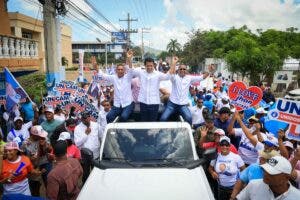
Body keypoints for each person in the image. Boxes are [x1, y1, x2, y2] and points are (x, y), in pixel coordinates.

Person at [160, 58, 209, 124]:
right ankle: (161, 132)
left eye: (184, 69)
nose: (182, 70)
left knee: (189, 118)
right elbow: (171, 73)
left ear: (186, 70)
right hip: (172, 104)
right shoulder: (174, 77)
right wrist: (174, 63)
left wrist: (210, 71)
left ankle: (190, 131)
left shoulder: (189, 78)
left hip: (183, 105)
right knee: (163, 118)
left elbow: (202, 77)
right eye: (181, 69)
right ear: (178, 70)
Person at [236, 156, 300, 199]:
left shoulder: (297, 197)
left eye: (271, 172)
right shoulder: (253, 185)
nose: (266, 174)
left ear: (286, 178)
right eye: (265, 170)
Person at [98, 50, 135, 123]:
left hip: (128, 104)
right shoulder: (113, 78)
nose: (120, 71)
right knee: (109, 116)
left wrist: (129, 59)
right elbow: (103, 76)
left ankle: (120, 131)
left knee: (124, 117)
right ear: (116, 70)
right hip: (117, 105)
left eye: (122, 69)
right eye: (119, 69)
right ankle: (113, 132)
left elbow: (131, 70)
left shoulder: (128, 77)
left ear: (124, 71)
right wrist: (96, 67)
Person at [133, 56, 172, 122]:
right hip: (143, 102)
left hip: (154, 102)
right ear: (145, 65)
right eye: (147, 66)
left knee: (153, 122)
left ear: (153, 65)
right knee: (143, 121)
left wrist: (173, 64)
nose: (149, 67)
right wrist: (128, 58)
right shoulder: (141, 73)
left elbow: (167, 77)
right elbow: (131, 71)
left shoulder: (158, 74)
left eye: (151, 65)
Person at [21, 125, 52, 196]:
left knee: (49, 182)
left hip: (45, 162)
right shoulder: (25, 143)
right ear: (32, 135)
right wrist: (29, 159)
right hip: (32, 166)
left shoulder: (44, 138)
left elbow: (50, 149)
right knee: (34, 187)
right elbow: (22, 156)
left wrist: (44, 146)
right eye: (39, 136)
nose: (41, 137)